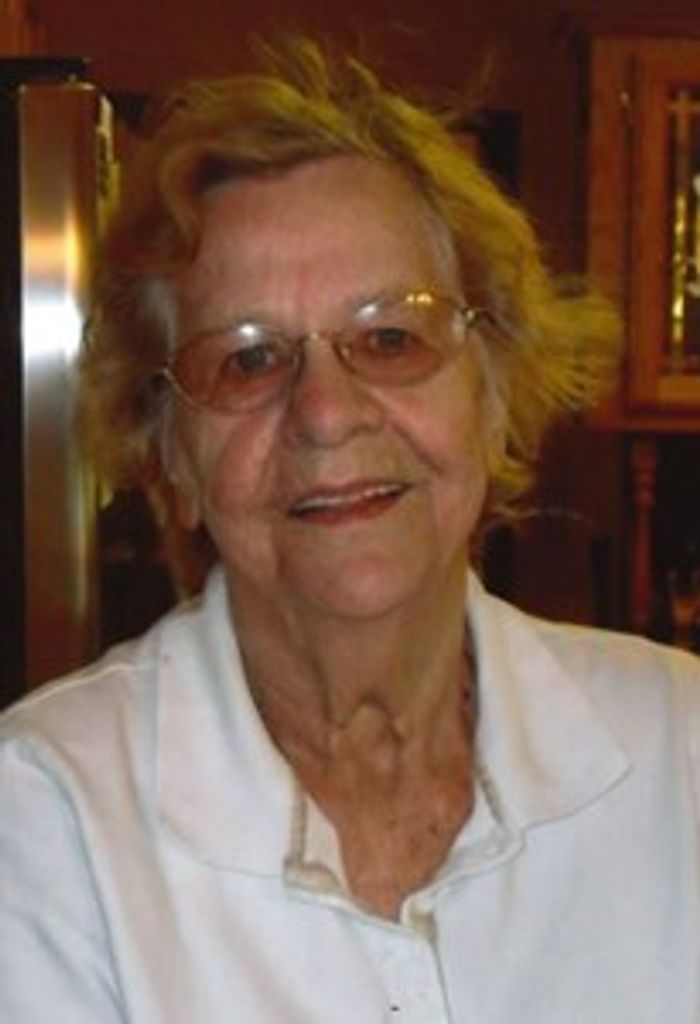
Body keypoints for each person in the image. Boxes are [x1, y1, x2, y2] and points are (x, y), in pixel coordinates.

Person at [1, 36, 699, 1024]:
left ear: (496, 395)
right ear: (170, 453)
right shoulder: (45, 816)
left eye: (390, 336)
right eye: (247, 360)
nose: (327, 414)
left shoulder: (680, 750)